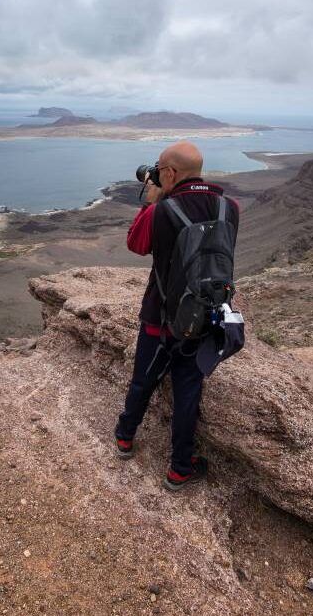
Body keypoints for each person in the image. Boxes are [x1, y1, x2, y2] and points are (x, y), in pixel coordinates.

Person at [113, 140, 240, 491]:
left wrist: (152, 202)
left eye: (159, 170)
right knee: (188, 393)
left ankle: (125, 438)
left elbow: (136, 245)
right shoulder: (230, 208)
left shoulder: (161, 211)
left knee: (144, 380)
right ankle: (180, 469)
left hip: (160, 318)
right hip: (203, 319)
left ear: (169, 173)